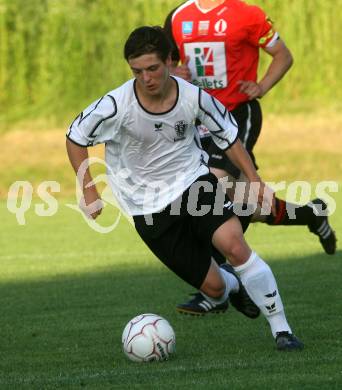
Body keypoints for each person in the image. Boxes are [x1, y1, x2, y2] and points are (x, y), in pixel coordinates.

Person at [66, 26, 303, 351]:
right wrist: (89, 191)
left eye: (153, 68)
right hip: (145, 206)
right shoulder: (117, 105)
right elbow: (75, 137)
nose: (146, 78)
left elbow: (229, 138)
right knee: (215, 288)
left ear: (168, 61)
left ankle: (282, 330)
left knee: (234, 245)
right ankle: (234, 288)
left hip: (192, 182)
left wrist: (256, 182)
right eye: (137, 71)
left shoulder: (193, 97)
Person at [163, 0, 336, 315]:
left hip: (236, 115)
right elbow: (162, 63)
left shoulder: (247, 14)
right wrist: (173, 71)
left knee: (209, 185)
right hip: (196, 117)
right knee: (253, 206)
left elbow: (283, 55)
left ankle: (217, 286)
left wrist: (262, 86)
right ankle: (313, 215)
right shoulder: (177, 16)